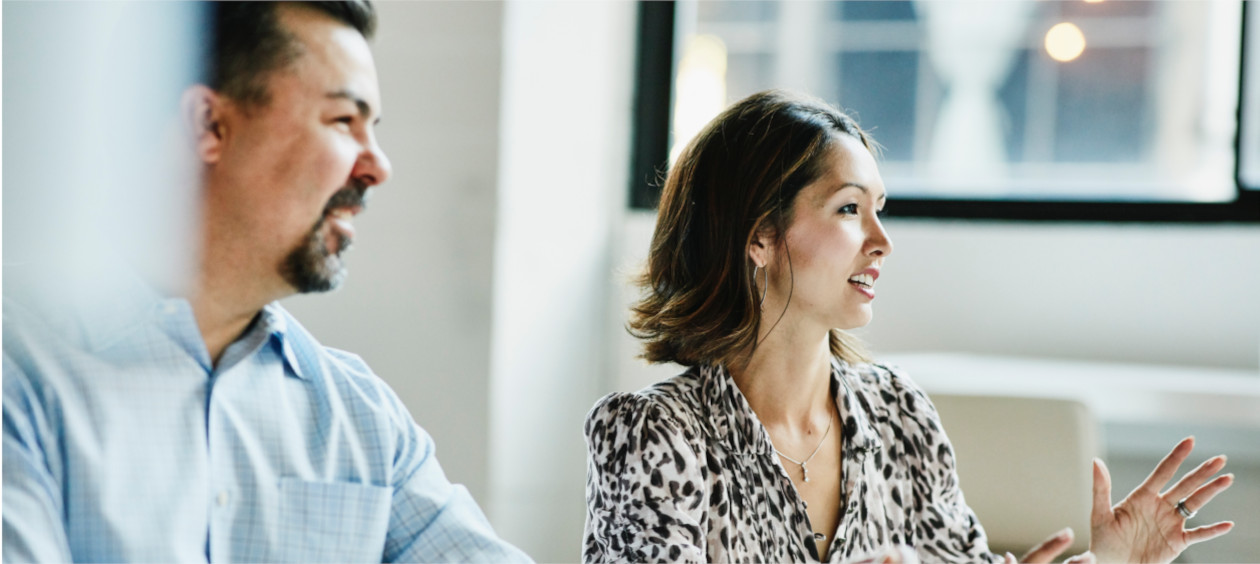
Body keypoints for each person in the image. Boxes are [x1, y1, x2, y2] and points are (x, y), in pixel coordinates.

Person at [581, 90, 1235, 564]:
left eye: (880, 210)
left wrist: (1110, 563)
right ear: (761, 235)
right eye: (848, 209)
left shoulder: (897, 413)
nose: (882, 241)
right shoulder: (654, 435)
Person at [2, 2, 530, 562]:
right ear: (209, 125)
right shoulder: (22, 377)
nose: (377, 166)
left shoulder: (363, 419)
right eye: (343, 121)